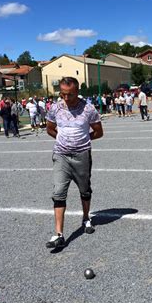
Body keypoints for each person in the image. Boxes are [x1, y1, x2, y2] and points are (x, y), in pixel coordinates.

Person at [45, 77, 103, 249]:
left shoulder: (88, 109)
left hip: (82, 155)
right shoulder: (55, 108)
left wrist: (83, 140)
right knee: (58, 192)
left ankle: (86, 218)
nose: (65, 98)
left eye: (69, 95)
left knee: (84, 189)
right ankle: (58, 234)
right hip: (61, 155)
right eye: (62, 94)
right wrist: (63, 140)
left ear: (77, 92)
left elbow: (99, 132)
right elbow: (49, 128)